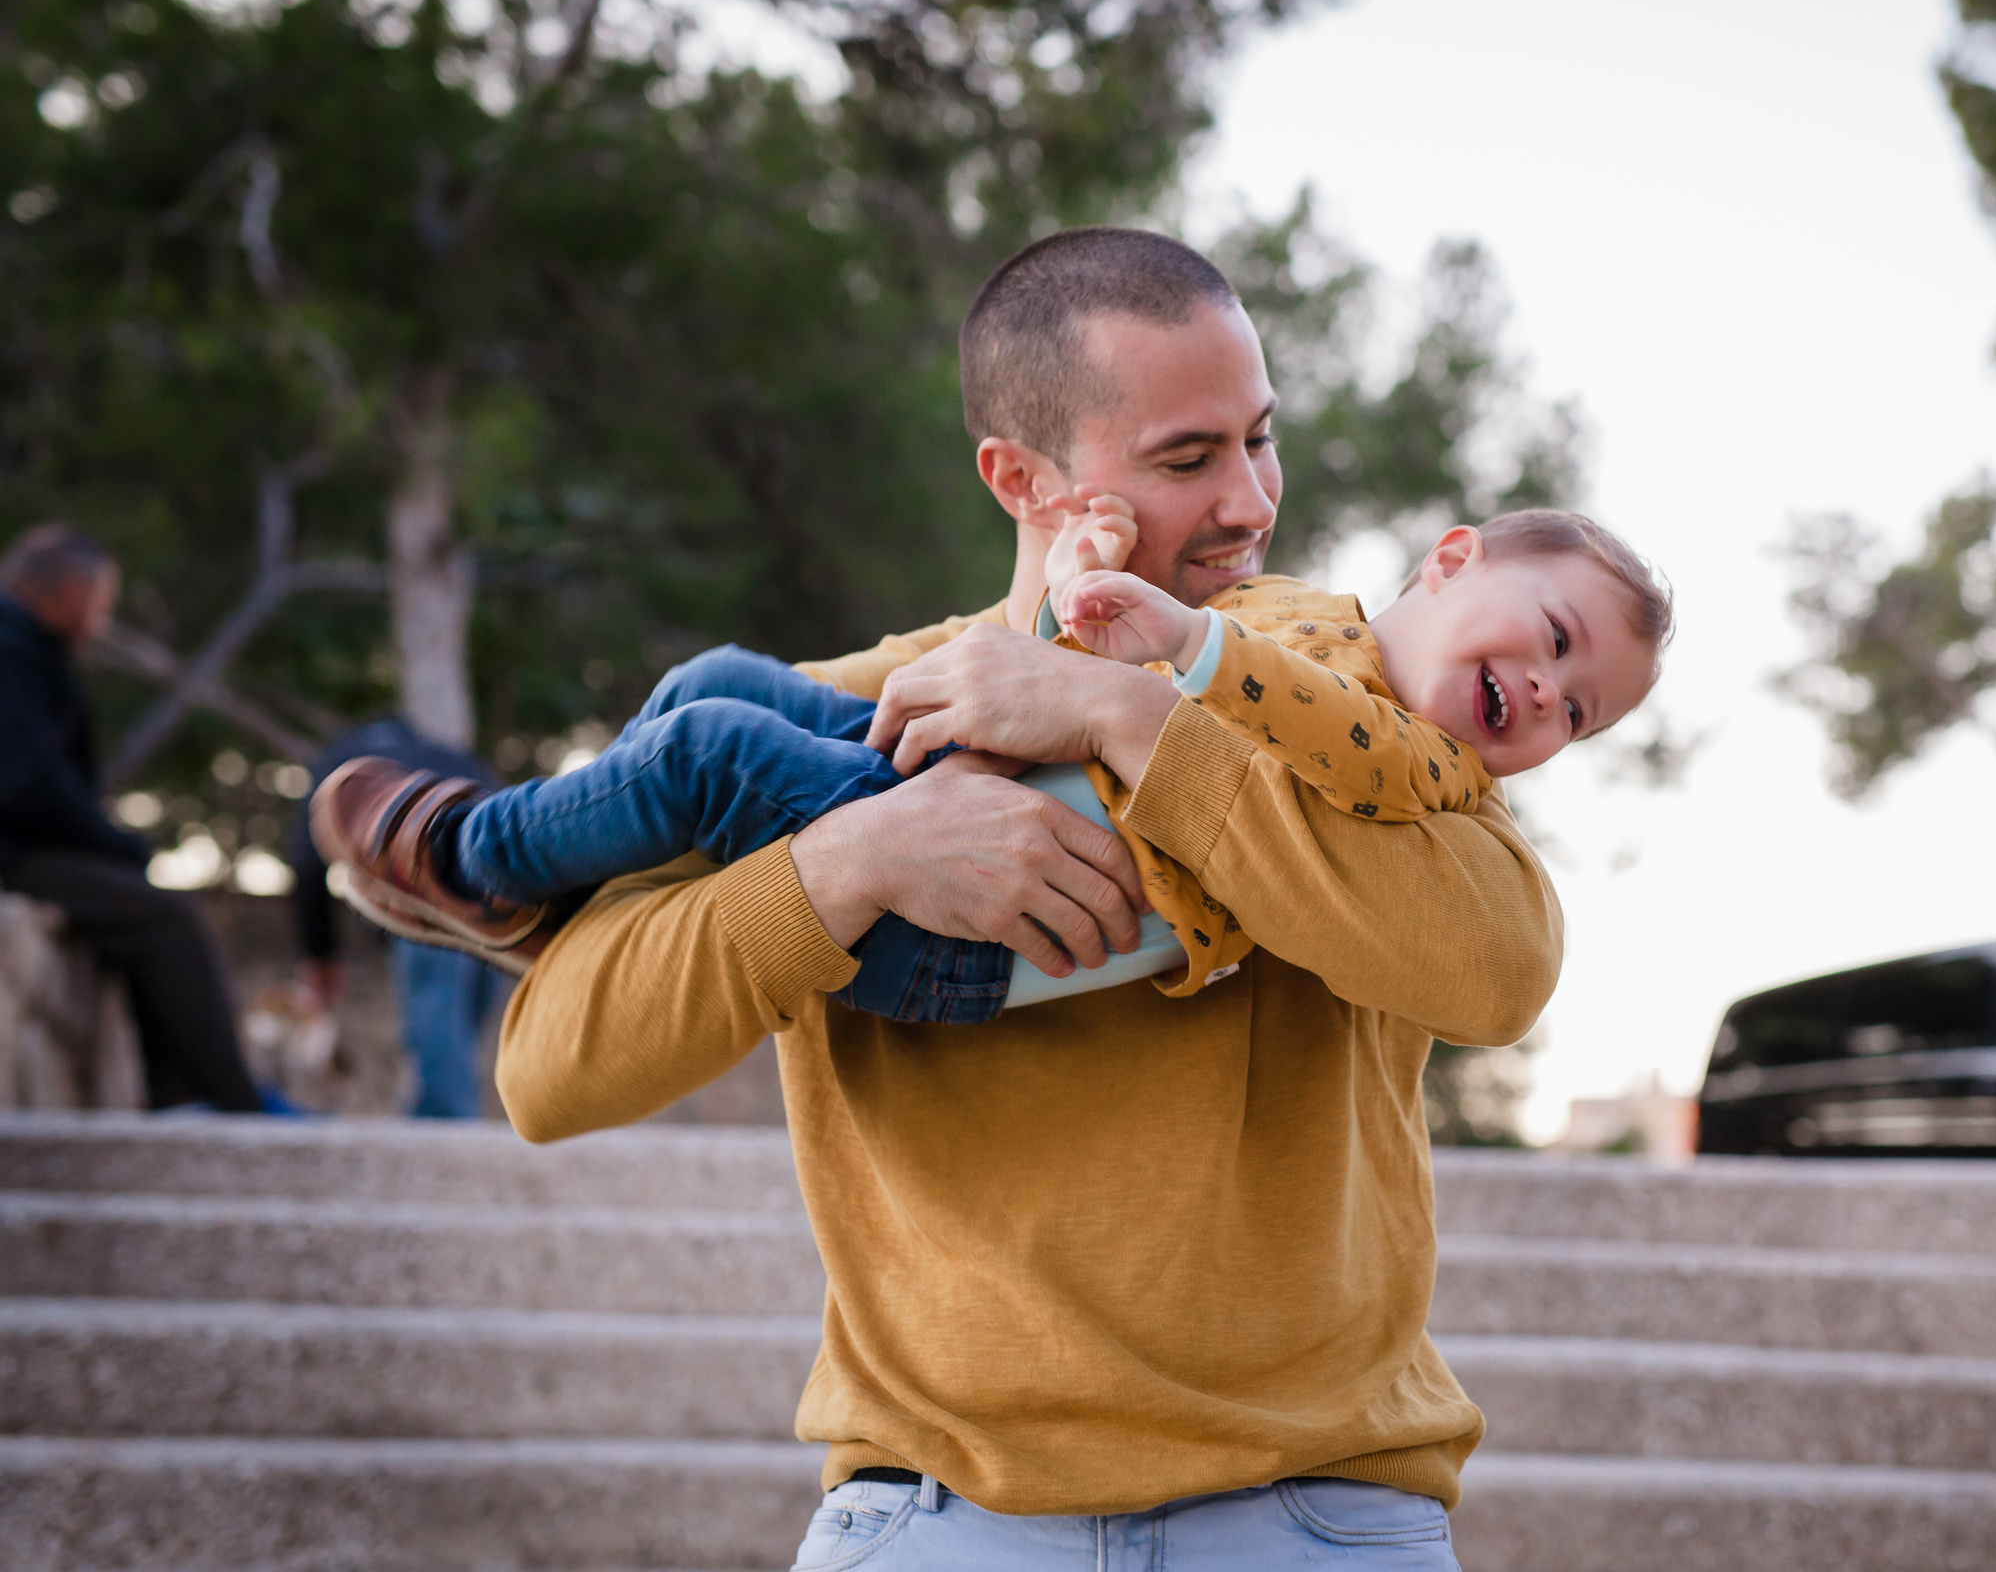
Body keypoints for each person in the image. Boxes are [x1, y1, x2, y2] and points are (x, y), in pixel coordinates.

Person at [492, 229, 1639, 1572]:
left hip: (1315, 1532)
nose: (1250, 500)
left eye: (1260, 441)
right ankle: (453, 840)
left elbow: (1501, 962)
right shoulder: (861, 706)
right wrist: (858, 857)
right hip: (929, 1535)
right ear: (1023, 477)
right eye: (1187, 457)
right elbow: (550, 1067)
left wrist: (1129, 716)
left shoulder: (1338, 699)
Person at [309, 499, 1664, 1024]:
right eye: (1554, 639)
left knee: (717, 744)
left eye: (1582, 713)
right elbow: (1055, 670)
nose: (1548, 694)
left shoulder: (1425, 766)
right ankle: (572, 891)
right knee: (722, 684)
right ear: (1451, 557)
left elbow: (1326, 738)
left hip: (985, 940)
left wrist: (1176, 648)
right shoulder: (1292, 615)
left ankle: (475, 855)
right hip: (950, 807)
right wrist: (1080, 586)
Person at [0, 523, 268, 1113]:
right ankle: (228, 1100)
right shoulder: (12, 651)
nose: (100, 622)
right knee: (166, 917)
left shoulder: (27, 652)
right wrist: (118, 846)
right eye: (100, 604)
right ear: (69, 591)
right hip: (14, 855)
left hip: (23, 846)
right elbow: (28, 784)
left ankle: (183, 1091)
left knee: (148, 908)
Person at [286, 718, 510, 1119]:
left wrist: (320, 955)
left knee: (437, 1016)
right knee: (460, 1024)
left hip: (422, 896)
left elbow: (307, 862)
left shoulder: (339, 765)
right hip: (500, 900)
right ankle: (452, 1113)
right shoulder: (453, 757)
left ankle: (444, 1127)